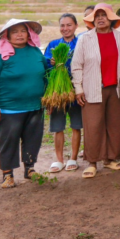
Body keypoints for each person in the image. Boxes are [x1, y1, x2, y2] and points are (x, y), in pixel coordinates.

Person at [0, 19, 46, 188]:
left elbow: (45, 73)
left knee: (33, 138)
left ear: (29, 34)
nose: (19, 35)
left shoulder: (35, 51)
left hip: (35, 105)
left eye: (23, 31)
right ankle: (8, 174)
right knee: (9, 140)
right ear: (7, 35)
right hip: (9, 108)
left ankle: (30, 169)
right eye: (15, 32)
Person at [72, 3, 120, 178]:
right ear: (93, 20)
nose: (100, 19)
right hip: (93, 88)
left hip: (117, 89)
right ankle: (92, 161)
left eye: (104, 15)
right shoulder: (85, 39)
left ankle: (111, 158)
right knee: (93, 125)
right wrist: (78, 88)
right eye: (97, 16)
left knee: (116, 124)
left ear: (111, 18)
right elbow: (76, 66)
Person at [45, 13, 82, 173]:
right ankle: (59, 160)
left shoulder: (81, 43)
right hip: (58, 93)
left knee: (76, 126)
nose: (65, 28)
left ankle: (73, 158)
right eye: (62, 25)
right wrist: (51, 62)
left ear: (75, 26)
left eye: (68, 25)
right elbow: (45, 65)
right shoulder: (53, 44)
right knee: (58, 127)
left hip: (75, 91)